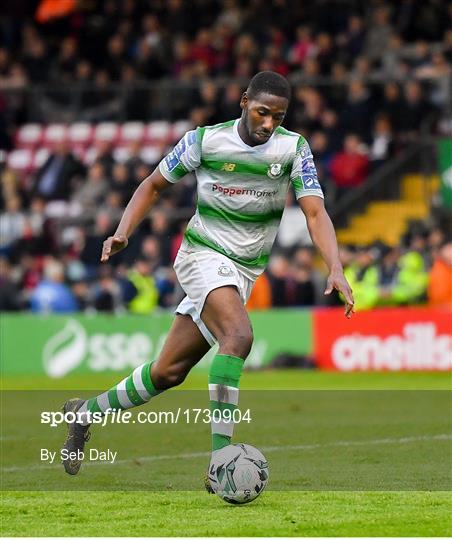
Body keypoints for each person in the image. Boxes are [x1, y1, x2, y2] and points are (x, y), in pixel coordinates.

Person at [61, 72, 354, 487]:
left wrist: (335, 267)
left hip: (245, 271)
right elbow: (153, 184)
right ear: (244, 100)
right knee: (238, 335)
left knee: (168, 372)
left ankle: (84, 413)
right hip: (202, 254)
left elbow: (314, 212)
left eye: (279, 116)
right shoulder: (203, 141)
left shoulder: (293, 148)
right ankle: (221, 462)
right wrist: (124, 230)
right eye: (262, 112)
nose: (269, 123)